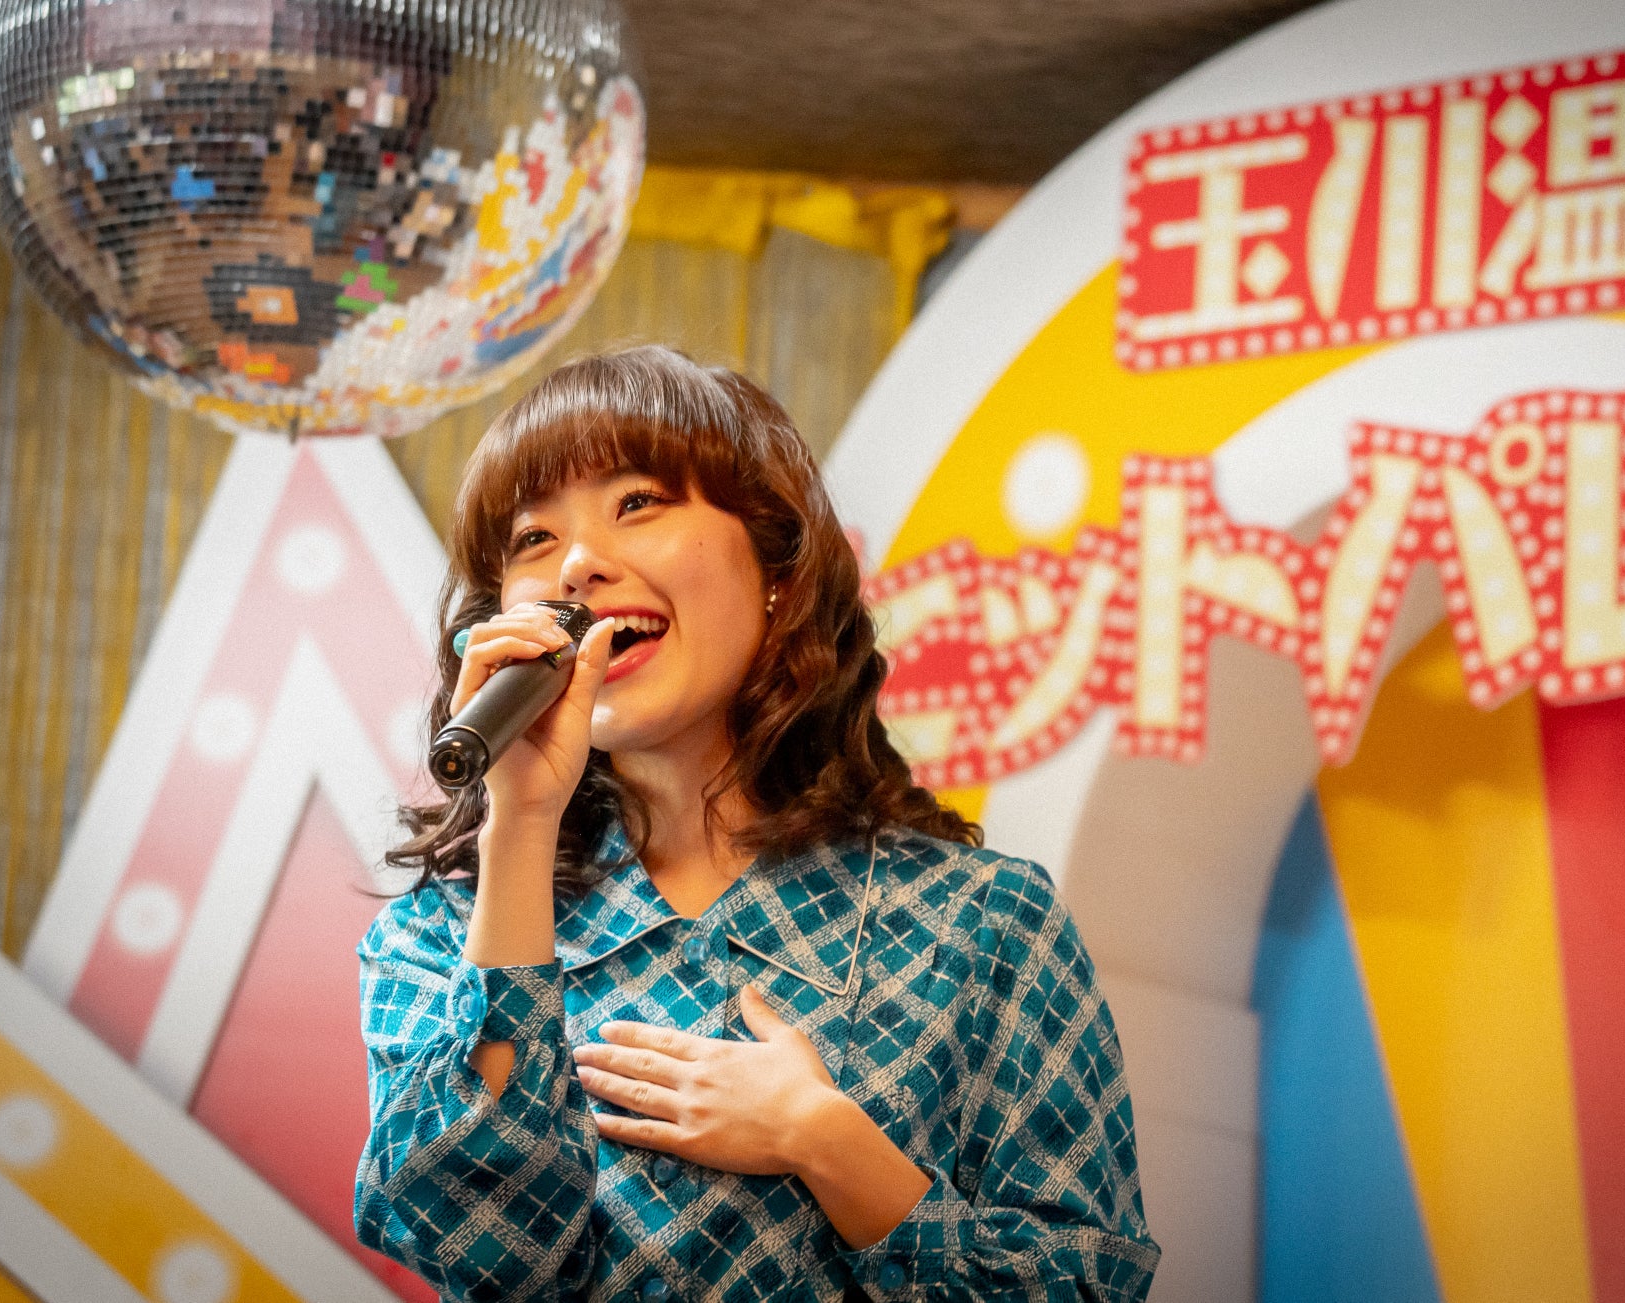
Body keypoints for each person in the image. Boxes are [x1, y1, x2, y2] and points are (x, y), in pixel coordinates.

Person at [353, 346, 1159, 1302]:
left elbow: (1085, 1282)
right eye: (533, 537)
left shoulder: (988, 924)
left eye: (637, 502)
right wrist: (519, 825)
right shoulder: (435, 939)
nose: (575, 564)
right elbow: (480, 1250)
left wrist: (824, 1142)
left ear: (778, 567)